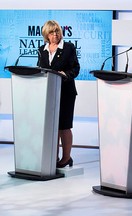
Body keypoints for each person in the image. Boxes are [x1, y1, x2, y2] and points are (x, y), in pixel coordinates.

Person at [38, 20, 80, 168]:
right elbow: (40, 69)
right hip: (49, 92)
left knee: (64, 126)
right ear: (46, 35)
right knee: (52, 126)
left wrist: (65, 74)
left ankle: (66, 158)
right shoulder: (42, 49)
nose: (55, 34)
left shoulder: (68, 47)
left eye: (57, 31)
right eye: (52, 32)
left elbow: (76, 68)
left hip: (66, 92)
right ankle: (52, 157)